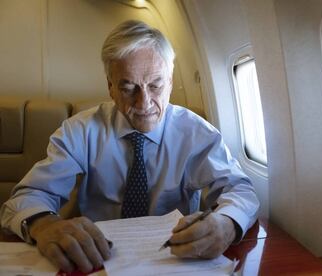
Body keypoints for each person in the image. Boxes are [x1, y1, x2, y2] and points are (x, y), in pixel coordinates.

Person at [0, 20, 259, 273]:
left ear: (170, 81)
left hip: (173, 260)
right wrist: (43, 224)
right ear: (110, 88)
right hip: (97, 257)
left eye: (156, 85)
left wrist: (227, 224)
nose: (144, 102)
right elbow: (24, 198)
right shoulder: (79, 131)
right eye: (127, 87)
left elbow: (241, 190)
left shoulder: (197, 133)